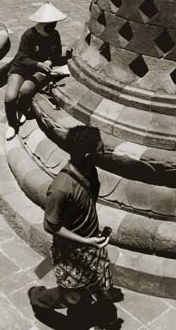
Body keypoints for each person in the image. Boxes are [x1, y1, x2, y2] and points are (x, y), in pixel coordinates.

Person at [28, 126, 121, 330]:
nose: (104, 152)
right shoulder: (61, 188)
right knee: (72, 297)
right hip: (70, 251)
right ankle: (38, 298)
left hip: (91, 244)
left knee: (97, 283)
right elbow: (50, 225)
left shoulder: (90, 171)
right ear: (88, 155)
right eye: (100, 149)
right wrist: (85, 240)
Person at [4, 2, 67, 141]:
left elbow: (56, 55)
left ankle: (22, 109)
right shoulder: (28, 35)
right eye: (49, 25)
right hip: (21, 69)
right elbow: (21, 58)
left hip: (39, 71)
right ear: (40, 24)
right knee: (10, 97)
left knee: (25, 91)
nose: (52, 27)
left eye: (54, 24)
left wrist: (50, 62)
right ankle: (12, 125)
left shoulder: (55, 35)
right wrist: (38, 64)